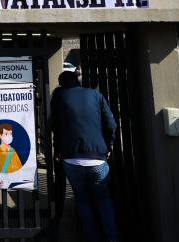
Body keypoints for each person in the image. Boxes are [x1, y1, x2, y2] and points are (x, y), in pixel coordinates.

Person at [50, 71, 119, 242]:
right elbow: (111, 124)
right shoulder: (95, 95)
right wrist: (108, 145)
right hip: (96, 155)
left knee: (82, 199)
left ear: (61, 84)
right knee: (103, 199)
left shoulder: (59, 98)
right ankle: (112, 238)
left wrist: (57, 148)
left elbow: (55, 127)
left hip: (70, 158)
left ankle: (91, 237)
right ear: (77, 81)